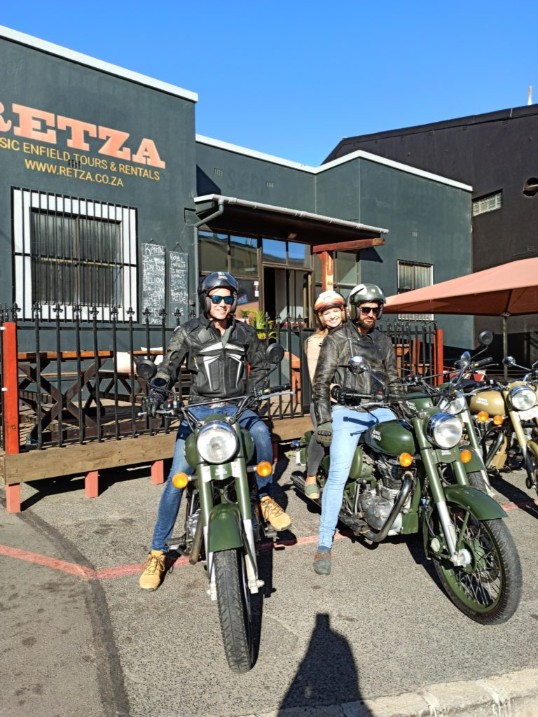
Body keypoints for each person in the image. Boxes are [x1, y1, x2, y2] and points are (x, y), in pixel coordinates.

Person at [139, 271, 291, 591]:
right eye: (216, 298)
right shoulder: (188, 332)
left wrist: (257, 388)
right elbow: (168, 367)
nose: (223, 303)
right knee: (177, 478)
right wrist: (157, 390)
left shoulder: (245, 332)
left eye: (228, 298)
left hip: (237, 407)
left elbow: (261, 364)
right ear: (205, 299)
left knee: (261, 433)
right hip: (198, 411)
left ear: (235, 301)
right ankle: (157, 552)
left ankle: (264, 498)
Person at [311, 283, 400, 576]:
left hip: (379, 409)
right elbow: (321, 382)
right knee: (338, 473)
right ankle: (324, 543)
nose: (371, 314)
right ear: (354, 309)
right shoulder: (337, 338)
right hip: (348, 411)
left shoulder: (384, 341)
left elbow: (394, 380)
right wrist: (325, 420)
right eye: (365, 309)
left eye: (376, 309)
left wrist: (402, 408)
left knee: (409, 448)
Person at [303, 290, 347, 499]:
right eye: (326, 313)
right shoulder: (315, 342)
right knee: (325, 432)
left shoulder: (354, 337)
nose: (332, 316)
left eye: (335, 311)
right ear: (320, 317)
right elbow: (317, 378)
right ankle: (311, 476)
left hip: (354, 399)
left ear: (343, 311)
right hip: (326, 400)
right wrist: (336, 392)